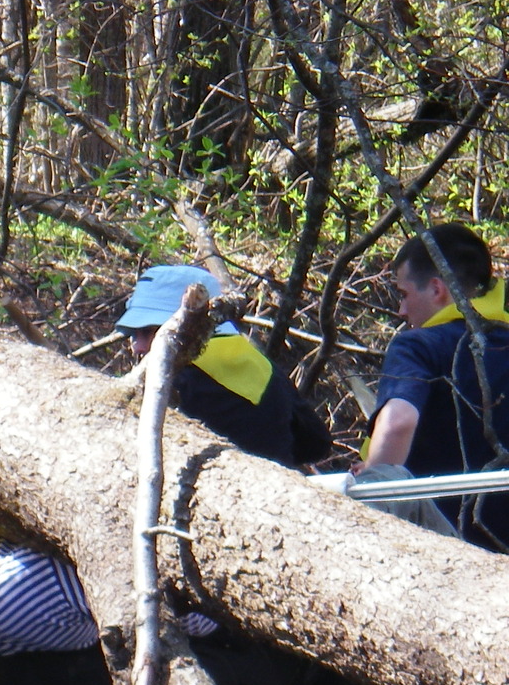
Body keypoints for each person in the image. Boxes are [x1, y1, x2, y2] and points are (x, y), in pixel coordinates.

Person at [361, 222, 509, 549]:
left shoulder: (417, 346)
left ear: (437, 289)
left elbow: (398, 422)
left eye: (403, 295)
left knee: (383, 481)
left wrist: (372, 479)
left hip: (449, 549)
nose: (401, 310)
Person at [116, 265, 331, 467]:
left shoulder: (174, 379)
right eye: (134, 333)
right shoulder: (258, 362)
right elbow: (316, 443)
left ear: (182, 325)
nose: (137, 347)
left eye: (148, 330)